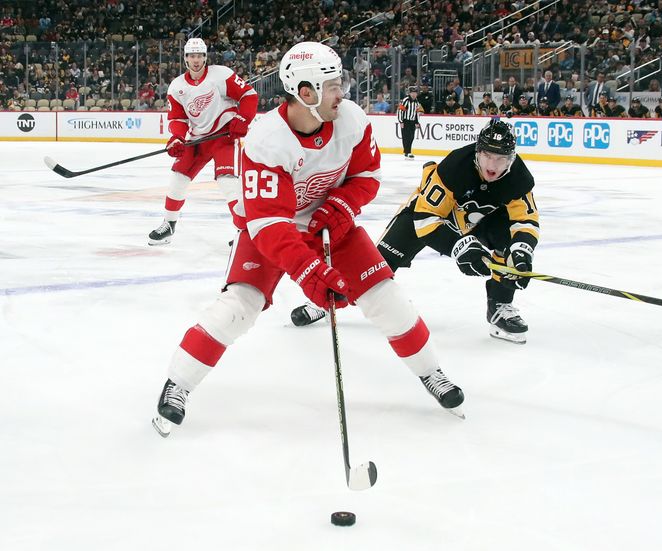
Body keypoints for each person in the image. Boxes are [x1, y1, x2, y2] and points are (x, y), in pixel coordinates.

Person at [152, 42, 464, 436]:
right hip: (271, 230)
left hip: (331, 226)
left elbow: (368, 177)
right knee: (239, 307)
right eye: (332, 85)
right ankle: (177, 383)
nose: (342, 93)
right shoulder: (267, 139)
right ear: (305, 92)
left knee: (386, 296)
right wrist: (310, 273)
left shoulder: (351, 120)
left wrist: (343, 205)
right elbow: (269, 226)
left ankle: (431, 372)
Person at [291, 120, 539, 345]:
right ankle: (327, 299)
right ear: (477, 152)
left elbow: (525, 221)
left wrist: (522, 252)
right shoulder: (456, 167)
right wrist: (461, 246)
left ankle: (501, 304)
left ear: (511, 158)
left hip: (476, 221)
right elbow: (426, 220)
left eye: (500, 159)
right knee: (375, 266)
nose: (492, 165)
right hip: (422, 216)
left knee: (510, 240)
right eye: (487, 156)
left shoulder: (518, 177)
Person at [148, 38, 257, 245]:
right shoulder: (177, 86)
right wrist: (177, 138)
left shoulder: (221, 75)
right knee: (178, 179)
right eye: (191, 56)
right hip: (197, 139)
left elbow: (248, 95)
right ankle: (169, 224)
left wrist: (243, 118)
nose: (196, 60)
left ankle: (244, 231)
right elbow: (178, 119)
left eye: (199, 55)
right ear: (185, 58)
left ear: (205, 57)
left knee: (228, 183)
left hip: (224, 137)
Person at [397, 85, 423, 158]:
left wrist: (417, 122)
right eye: (412, 93)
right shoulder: (406, 100)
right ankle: (407, 152)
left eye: (415, 93)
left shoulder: (417, 102)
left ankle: (407, 151)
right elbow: (400, 111)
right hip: (405, 121)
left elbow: (417, 113)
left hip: (412, 122)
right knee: (406, 137)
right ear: (410, 93)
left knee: (411, 137)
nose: (414, 94)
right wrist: (401, 121)